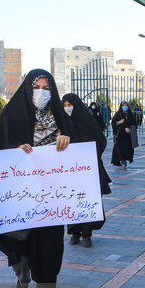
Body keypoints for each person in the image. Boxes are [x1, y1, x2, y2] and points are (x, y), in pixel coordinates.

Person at [0, 69, 73, 288]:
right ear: (27, 88)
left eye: (46, 87)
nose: (41, 92)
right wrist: (15, 148)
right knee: (20, 250)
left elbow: (84, 145)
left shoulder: (60, 117)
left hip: (52, 200)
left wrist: (68, 139)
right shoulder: (12, 113)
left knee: (50, 254)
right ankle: (22, 277)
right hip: (20, 199)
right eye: (36, 87)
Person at [62, 93, 112, 247]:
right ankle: (75, 233)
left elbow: (101, 140)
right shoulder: (62, 124)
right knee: (72, 202)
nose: (67, 108)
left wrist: (88, 151)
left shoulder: (87, 121)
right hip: (70, 172)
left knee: (88, 201)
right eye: (64, 105)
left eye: (70, 105)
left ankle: (87, 234)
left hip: (88, 170)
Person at [111, 101, 135, 170]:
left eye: (126, 105)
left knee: (127, 149)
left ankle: (124, 160)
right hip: (120, 136)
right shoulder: (118, 114)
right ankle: (123, 162)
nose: (125, 107)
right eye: (123, 105)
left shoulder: (130, 114)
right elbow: (113, 123)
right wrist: (119, 122)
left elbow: (134, 123)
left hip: (128, 136)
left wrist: (130, 129)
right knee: (119, 149)